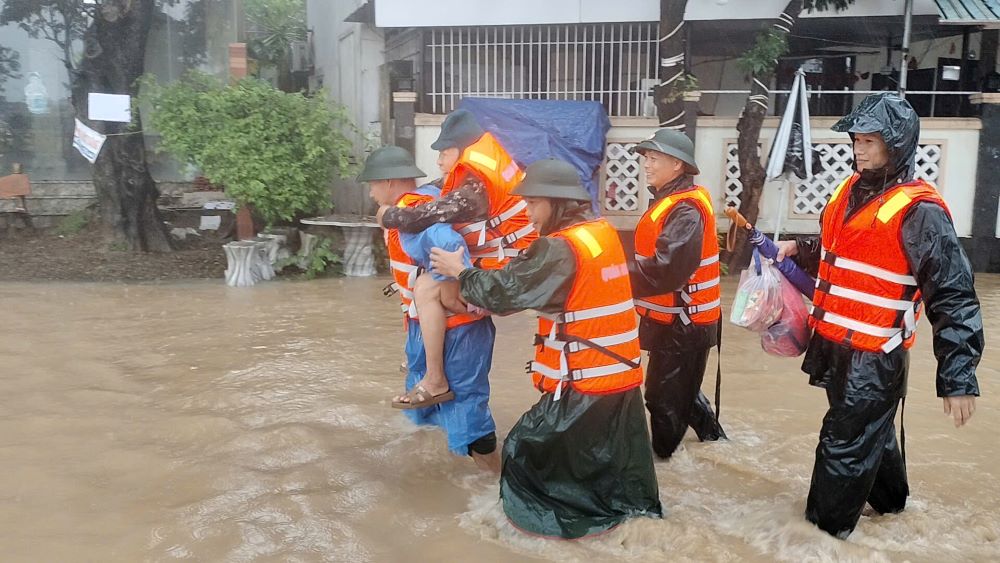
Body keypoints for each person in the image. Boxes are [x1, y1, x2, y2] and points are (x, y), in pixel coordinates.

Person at [774, 93, 984, 539]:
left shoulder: (920, 212)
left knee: (842, 446)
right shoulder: (850, 191)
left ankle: (818, 539)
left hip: (874, 356)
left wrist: (959, 378)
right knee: (869, 432)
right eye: (857, 139)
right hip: (834, 343)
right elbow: (847, 251)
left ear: (898, 145)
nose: (859, 149)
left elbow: (954, 296)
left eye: (871, 140)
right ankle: (892, 506)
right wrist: (800, 248)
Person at [431, 158, 662, 539]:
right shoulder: (599, 233)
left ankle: (548, 533)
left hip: (583, 389)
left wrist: (462, 272)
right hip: (621, 383)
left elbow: (505, 293)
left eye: (534, 204)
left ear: (556, 203)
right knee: (612, 475)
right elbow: (535, 277)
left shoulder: (558, 248)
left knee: (524, 452)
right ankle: (625, 528)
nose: (527, 213)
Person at [358, 146, 500, 472]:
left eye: (372, 184)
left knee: (467, 409)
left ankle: (493, 483)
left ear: (390, 182)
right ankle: (445, 483)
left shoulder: (413, 208)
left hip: (457, 328)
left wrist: (449, 287)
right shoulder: (422, 204)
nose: (370, 192)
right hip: (424, 325)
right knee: (425, 409)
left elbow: (446, 242)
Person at [384, 109, 537, 408]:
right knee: (430, 286)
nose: (439, 160)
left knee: (426, 289)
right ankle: (430, 369)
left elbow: (432, 214)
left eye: (443, 152)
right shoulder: (491, 165)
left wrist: (392, 216)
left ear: (462, 148)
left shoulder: (476, 183)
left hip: (505, 275)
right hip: (515, 266)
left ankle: (435, 379)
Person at [628, 129, 727, 460]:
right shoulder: (671, 201)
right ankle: (717, 445)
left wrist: (612, 276)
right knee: (679, 390)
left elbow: (667, 269)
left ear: (677, 165)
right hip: (675, 318)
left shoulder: (685, 210)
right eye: (646, 157)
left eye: (654, 158)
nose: (646, 164)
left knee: (661, 398)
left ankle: (664, 464)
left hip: (685, 321)